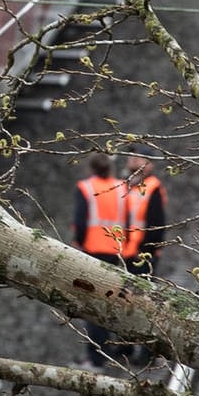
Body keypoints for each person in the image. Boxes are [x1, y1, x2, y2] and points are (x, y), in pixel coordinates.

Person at [72, 152, 132, 368]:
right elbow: (127, 219)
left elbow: (80, 220)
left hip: (92, 250)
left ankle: (97, 356)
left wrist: (78, 244)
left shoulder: (86, 188)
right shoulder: (121, 188)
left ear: (91, 169)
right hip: (115, 251)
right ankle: (115, 349)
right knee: (111, 299)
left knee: (92, 303)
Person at [121, 150, 168, 364]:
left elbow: (156, 224)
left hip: (142, 256)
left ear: (149, 164)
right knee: (125, 302)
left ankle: (148, 352)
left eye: (138, 157)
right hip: (126, 254)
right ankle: (126, 347)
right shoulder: (127, 185)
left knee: (143, 303)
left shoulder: (152, 188)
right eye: (131, 157)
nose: (133, 160)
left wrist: (146, 251)